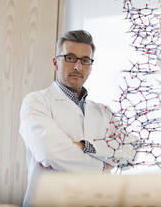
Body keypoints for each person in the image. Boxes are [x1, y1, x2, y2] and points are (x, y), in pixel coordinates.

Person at [19, 30, 136, 206]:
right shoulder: (36, 102)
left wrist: (85, 146)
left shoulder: (104, 112)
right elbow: (51, 153)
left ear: (90, 65)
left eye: (85, 60)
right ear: (55, 63)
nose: (78, 67)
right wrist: (103, 167)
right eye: (70, 58)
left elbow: (130, 150)